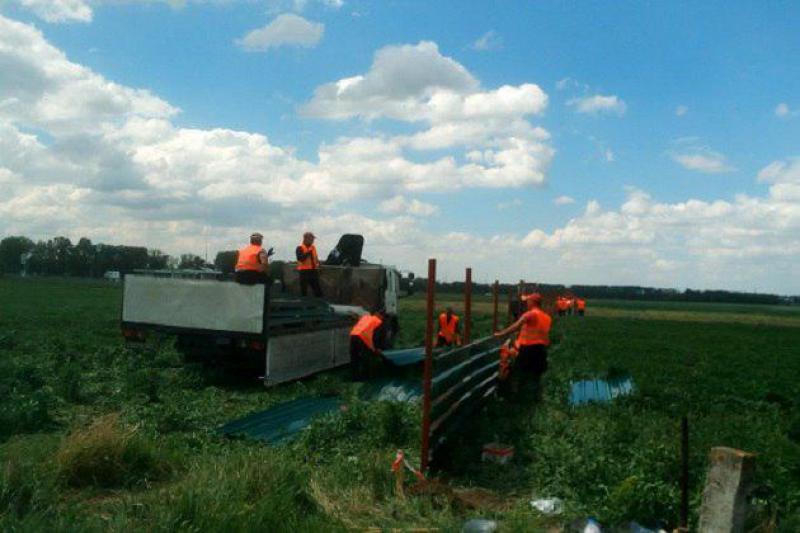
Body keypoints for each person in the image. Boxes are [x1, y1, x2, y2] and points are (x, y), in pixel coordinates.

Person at [494, 292, 552, 399]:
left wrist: (501, 333)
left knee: (518, 372)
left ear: (533, 302)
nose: (526, 303)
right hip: (541, 350)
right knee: (536, 376)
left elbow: (517, 325)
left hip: (528, 349)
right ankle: (535, 399)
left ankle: (516, 398)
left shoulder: (531, 314)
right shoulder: (547, 317)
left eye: (528, 301)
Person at [349, 309, 387, 381]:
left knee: (354, 358)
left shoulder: (365, 317)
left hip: (353, 335)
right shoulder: (377, 321)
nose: (382, 319)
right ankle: (366, 377)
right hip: (362, 338)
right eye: (382, 317)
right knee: (366, 358)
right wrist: (377, 348)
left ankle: (354, 377)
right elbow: (376, 336)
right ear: (381, 316)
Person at [296, 231, 323, 297]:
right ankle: (303, 305)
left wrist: (319, 263)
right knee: (304, 291)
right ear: (306, 238)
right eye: (311, 239)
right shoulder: (299, 248)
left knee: (317, 290)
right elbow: (300, 259)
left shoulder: (313, 248)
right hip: (304, 272)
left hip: (313, 271)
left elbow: (315, 258)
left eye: (313, 239)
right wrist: (308, 252)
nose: (313, 241)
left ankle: (318, 303)